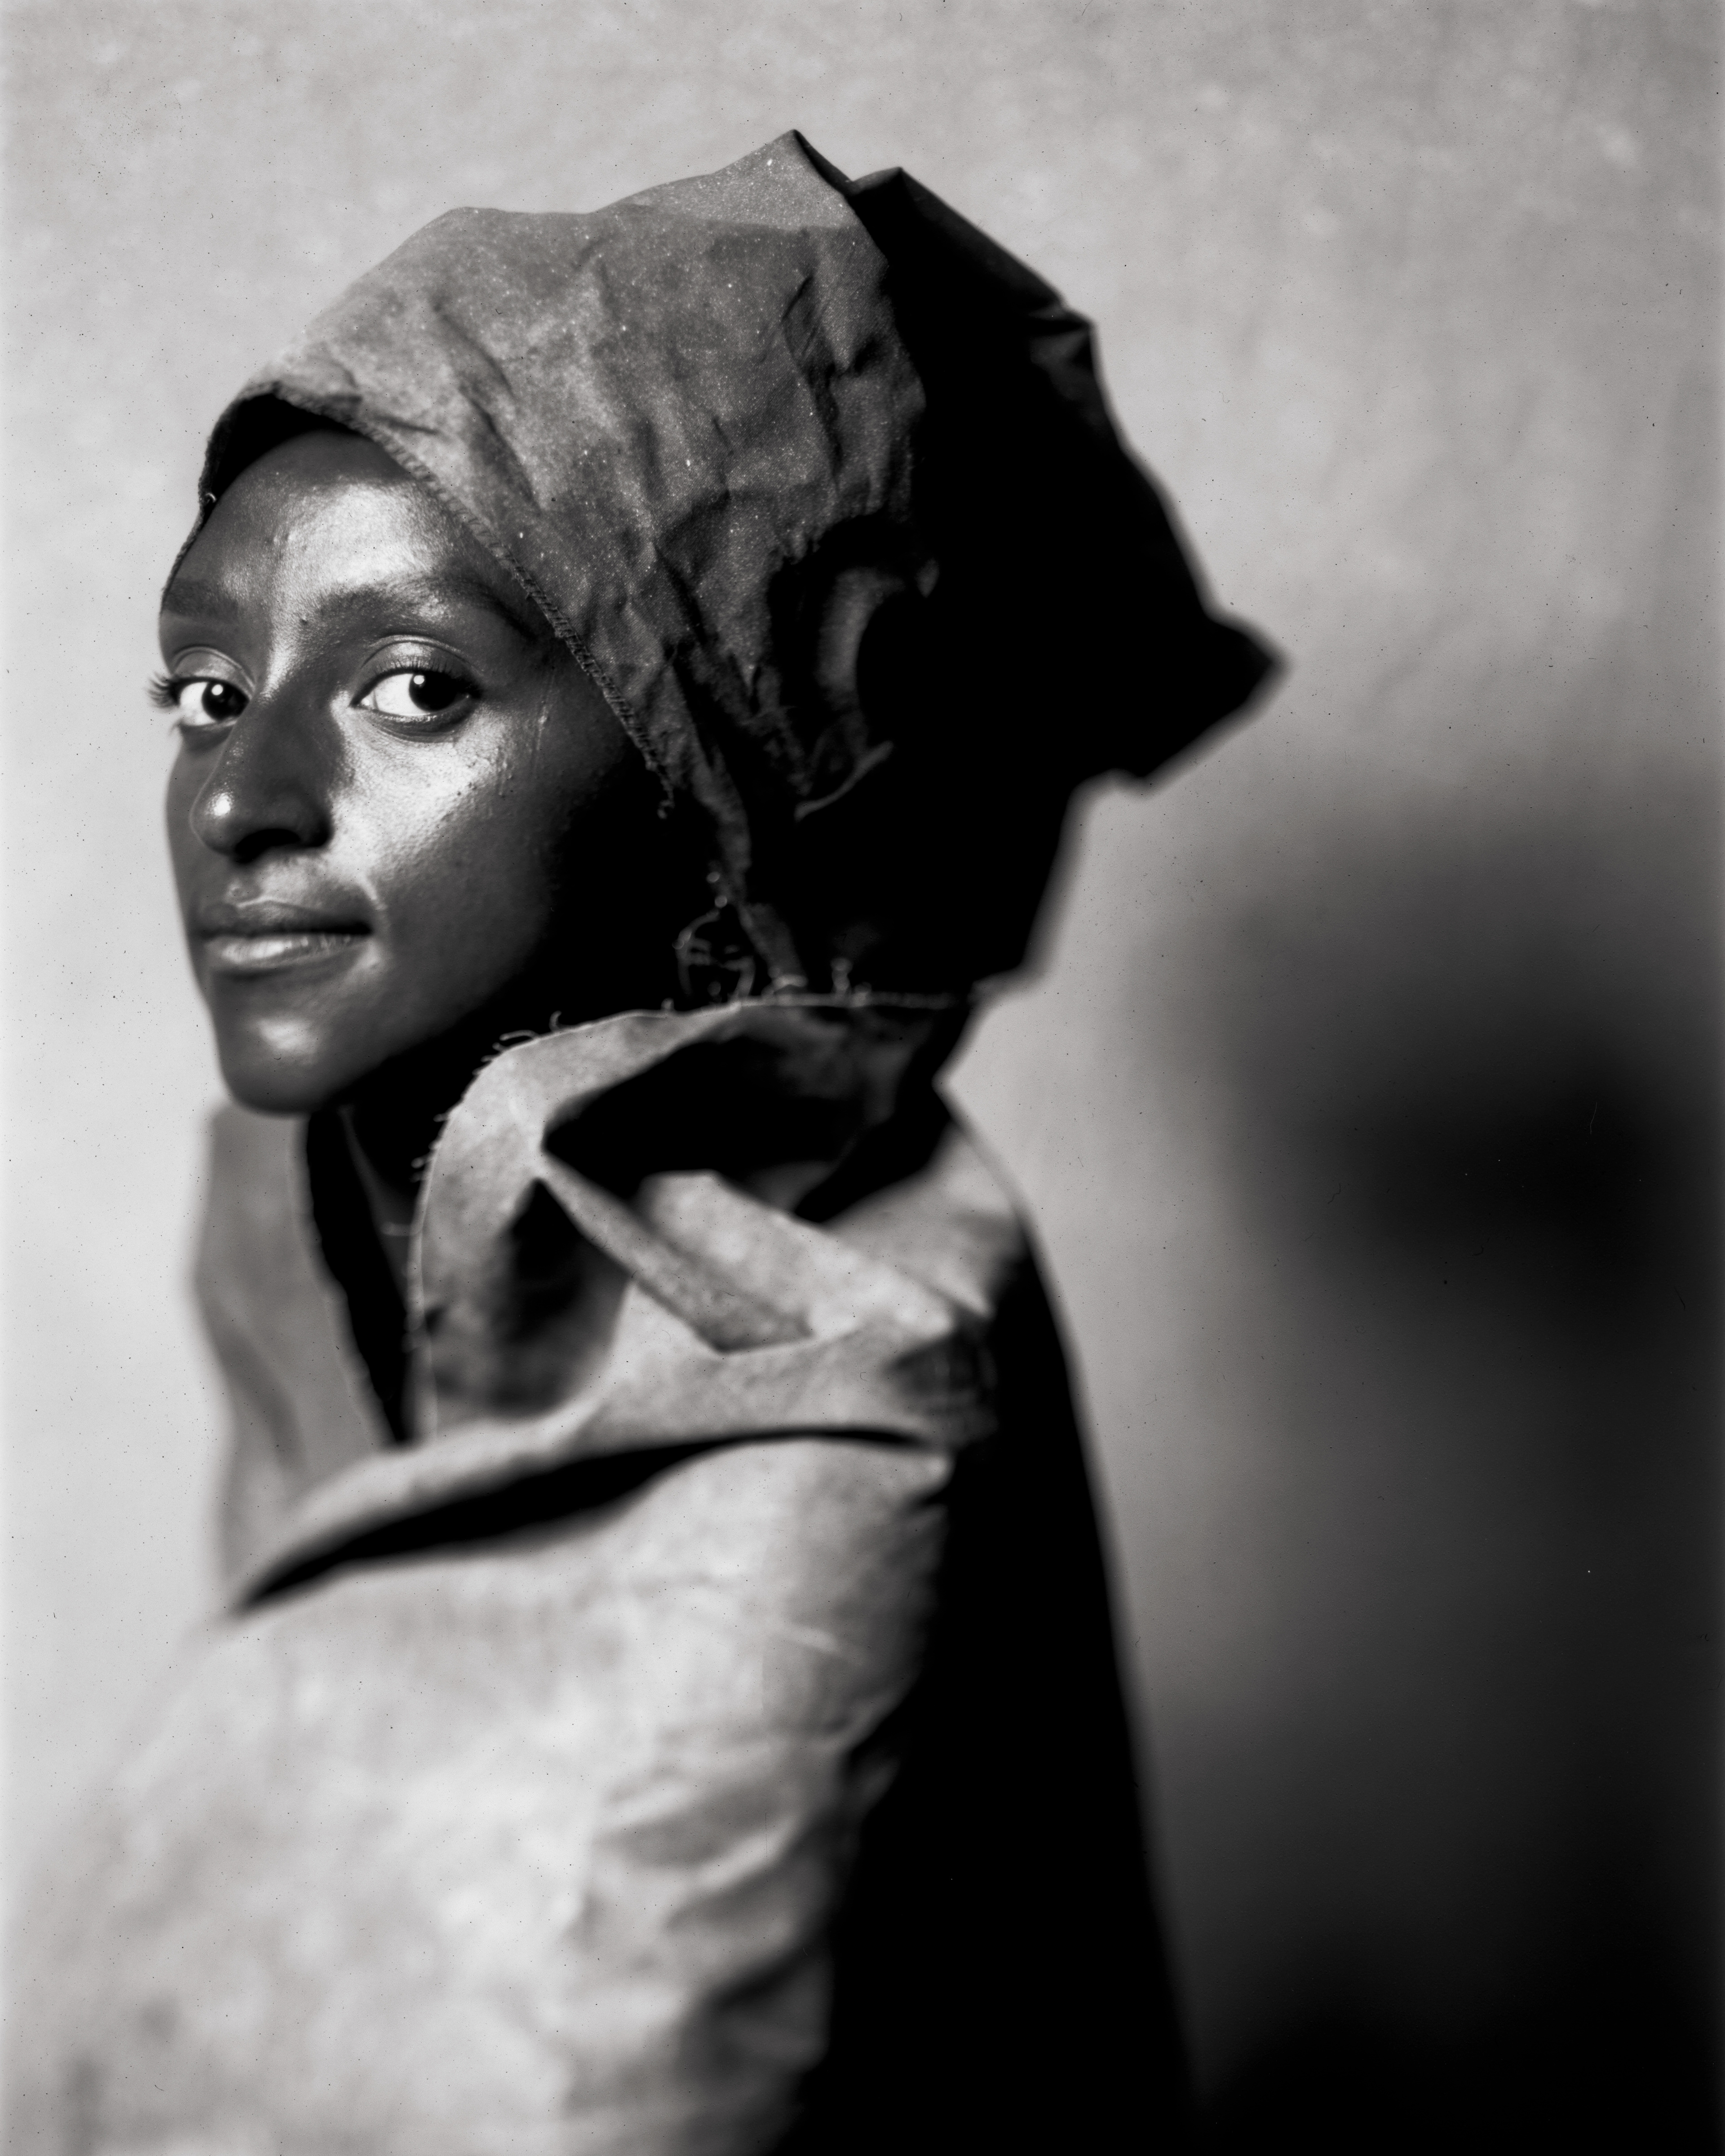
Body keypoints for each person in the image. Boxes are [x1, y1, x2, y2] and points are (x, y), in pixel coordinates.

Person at [9, 133, 1272, 2153]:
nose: (242, 797)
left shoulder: (834, 1371)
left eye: (412, 687)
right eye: (208, 690)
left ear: (713, 767)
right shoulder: (304, 1223)